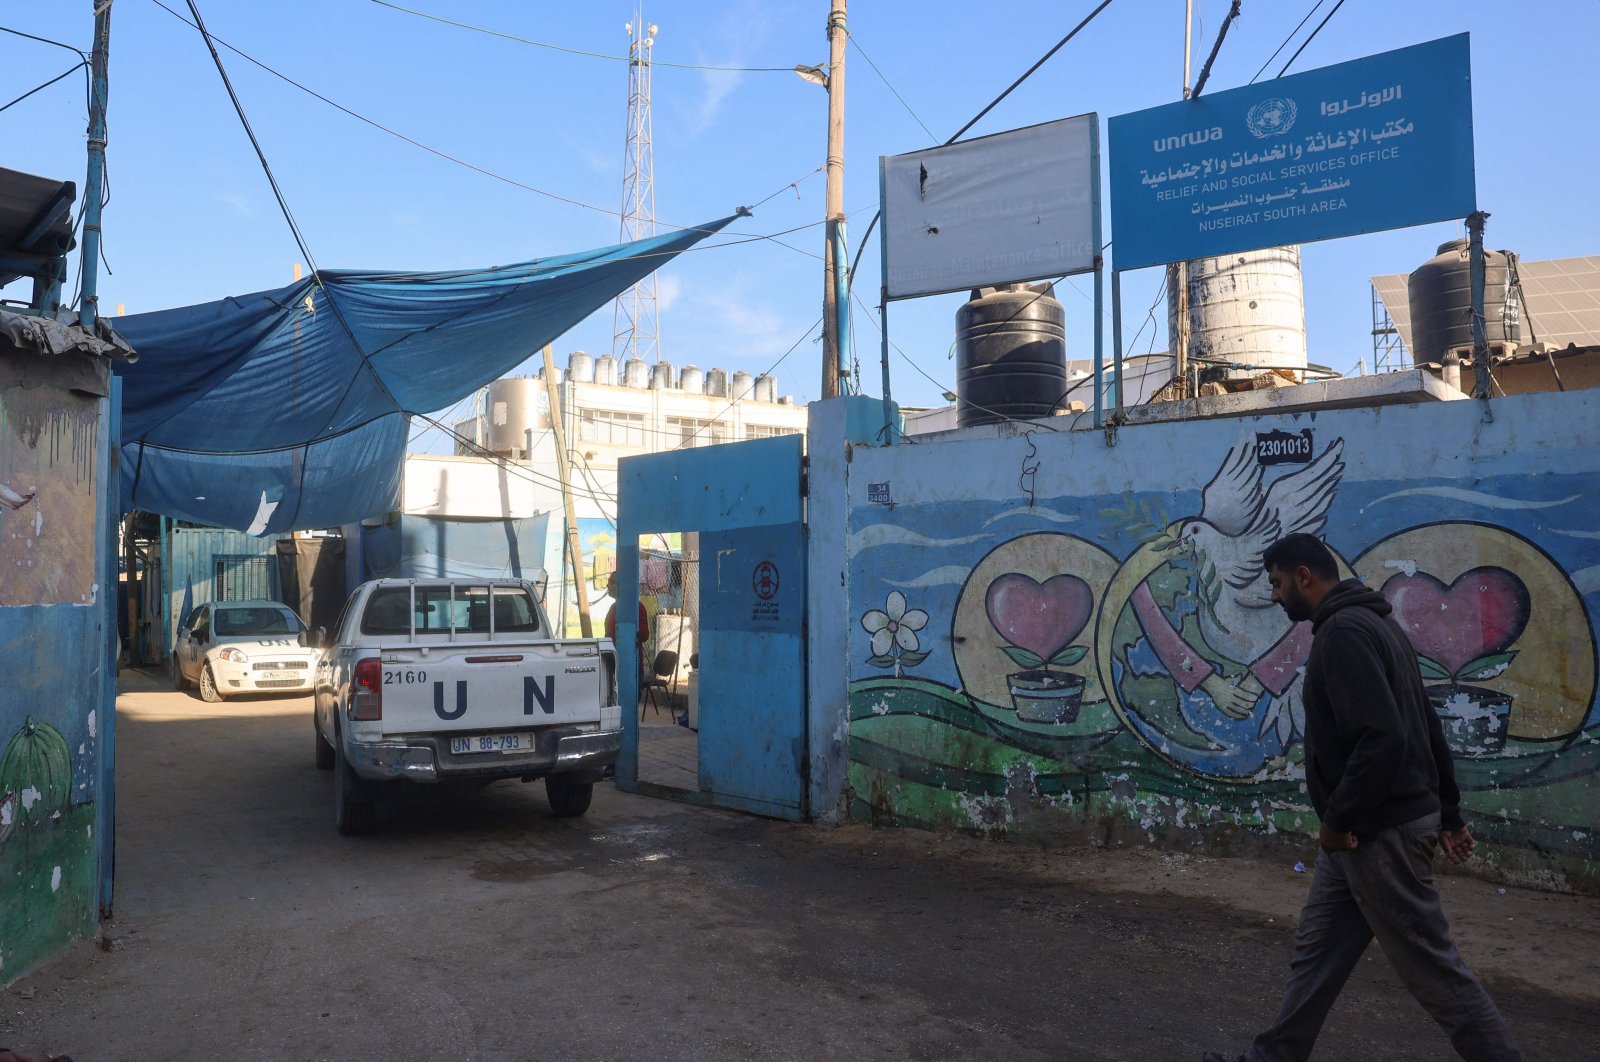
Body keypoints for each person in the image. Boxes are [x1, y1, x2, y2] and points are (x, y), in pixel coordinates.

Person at [1205, 533, 1521, 1062]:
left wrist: (1339, 819)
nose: (1277, 596)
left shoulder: (1344, 634)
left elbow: (1385, 737)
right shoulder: (1379, 626)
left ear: (1305, 576)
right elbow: (1425, 724)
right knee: (1317, 954)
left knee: (1434, 972)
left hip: (1378, 833)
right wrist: (1448, 813)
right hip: (1360, 836)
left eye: (1278, 584)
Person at [603, 573, 650, 695]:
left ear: (622, 586)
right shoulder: (614, 607)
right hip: (612, 659)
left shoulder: (637, 607)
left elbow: (645, 635)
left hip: (630, 662)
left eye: (612, 582)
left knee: (629, 695)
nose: (607, 585)